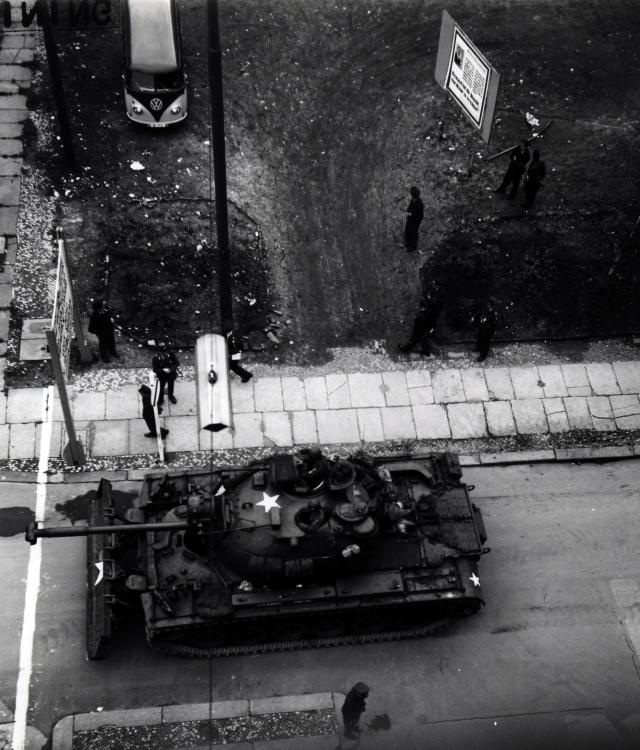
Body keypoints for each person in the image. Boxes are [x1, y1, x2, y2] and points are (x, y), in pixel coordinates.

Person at [88, 299, 119, 363]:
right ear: (99, 308)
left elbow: (109, 319)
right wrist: (99, 332)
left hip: (109, 332)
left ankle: (113, 352)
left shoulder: (106, 312)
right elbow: (91, 329)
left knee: (111, 343)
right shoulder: (94, 316)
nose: (104, 307)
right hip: (102, 334)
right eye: (103, 306)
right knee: (103, 346)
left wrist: (112, 324)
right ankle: (105, 357)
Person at [473, 298, 500, 362]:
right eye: (488, 304)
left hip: (488, 329)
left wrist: (487, 321)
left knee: (485, 342)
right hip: (483, 328)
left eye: (489, 304)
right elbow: (479, 312)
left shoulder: (494, 313)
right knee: (480, 339)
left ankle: (483, 356)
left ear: (492, 305)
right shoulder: (485, 310)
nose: (488, 305)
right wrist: (474, 316)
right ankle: (478, 349)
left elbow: (495, 322)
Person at [404, 186, 424, 251]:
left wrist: (410, 216)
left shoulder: (419, 203)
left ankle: (413, 246)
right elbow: (410, 207)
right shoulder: (413, 200)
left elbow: (417, 213)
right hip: (412, 217)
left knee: (414, 231)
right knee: (408, 229)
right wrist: (408, 210)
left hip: (417, 218)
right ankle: (407, 242)